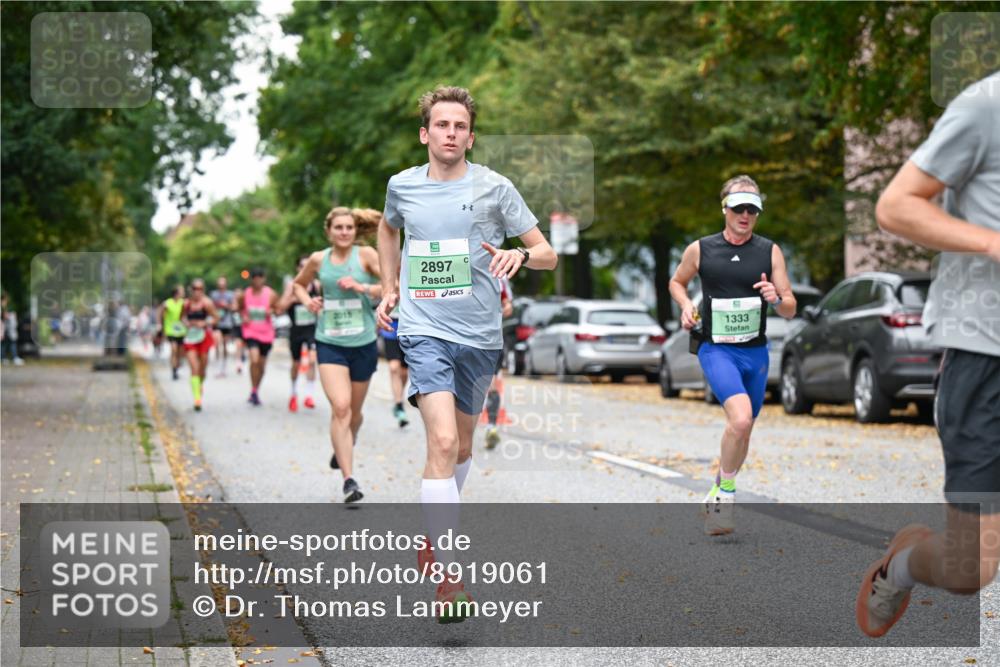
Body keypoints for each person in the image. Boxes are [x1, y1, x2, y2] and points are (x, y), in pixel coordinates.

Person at [376, 86, 557, 621]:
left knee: (460, 449)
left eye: (460, 126)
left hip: (479, 335)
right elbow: (388, 230)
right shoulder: (402, 187)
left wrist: (519, 254)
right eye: (442, 124)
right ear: (425, 133)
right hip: (424, 330)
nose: (450, 133)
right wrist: (391, 287)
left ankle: (434, 539)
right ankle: (450, 578)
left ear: (470, 136)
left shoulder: (495, 188)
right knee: (444, 439)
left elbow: (546, 253)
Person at [855, 72, 1000, 638]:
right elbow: (896, 206)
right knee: (969, 570)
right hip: (985, 351)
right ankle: (902, 564)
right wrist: (993, 241)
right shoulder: (986, 107)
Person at [669, 175, 796, 536]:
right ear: (724, 208)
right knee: (739, 420)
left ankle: (718, 486)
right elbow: (677, 282)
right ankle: (726, 494)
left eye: (752, 210)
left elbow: (789, 308)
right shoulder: (701, 249)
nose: (745, 215)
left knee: (745, 428)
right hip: (717, 348)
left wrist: (775, 297)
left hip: (755, 352)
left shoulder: (769, 251)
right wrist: (684, 306)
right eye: (738, 208)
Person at [294, 207, 383, 503]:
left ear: (355, 230)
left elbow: (392, 286)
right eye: (338, 228)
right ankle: (349, 479)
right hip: (330, 341)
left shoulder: (366, 256)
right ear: (329, 231)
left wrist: (363, 287)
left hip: (363, 342)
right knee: (341, 408)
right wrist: (308, 301)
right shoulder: (319, 260)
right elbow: (297, 285)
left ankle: (346, 439)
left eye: (349, 227)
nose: (344, 232)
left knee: (354, 413)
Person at [280, 256, 320, 413]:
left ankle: (309, 395)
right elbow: (280, 307)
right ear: (297, 269)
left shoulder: (316, 285)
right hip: (296, 330)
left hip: (312, 329)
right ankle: (293, 393)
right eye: (302, 266)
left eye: (307, 266)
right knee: (296, 364)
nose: (305, 269)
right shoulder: (292, 286)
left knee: (312, 359)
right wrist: (294, 298)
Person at [238, 269, 278, 406]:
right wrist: (243, 317)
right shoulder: (245, 294)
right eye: (255, 278)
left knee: (261, 365)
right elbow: (240, 309)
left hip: (267, 334)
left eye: (260, 277)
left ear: (264, 279)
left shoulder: (271, 294)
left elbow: (278, 309)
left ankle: (255, 390)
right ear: (252, 279)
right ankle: (253, 389)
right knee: (254, 360)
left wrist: (271, 311)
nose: (257, 280)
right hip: (251, 332)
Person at [484, 277, 514, 449]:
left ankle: (491, 426)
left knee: (492, 385)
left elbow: (507, 304)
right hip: (462, 337)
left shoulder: (498, 275)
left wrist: (505, 307)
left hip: (491, 339)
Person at [181, 279, 218, 411]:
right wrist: (186, 323)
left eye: (200, 289)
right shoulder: (186, 304)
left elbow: (216, 317)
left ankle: (199, 383)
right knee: (194, 368)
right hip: (190, 338)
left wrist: (205, 323)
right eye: (195, 289)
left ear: (203, 290)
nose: (197, 292)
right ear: (191, 290)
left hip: (203, 338)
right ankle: (197, 399)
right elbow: (182, 317)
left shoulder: (207, 303)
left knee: (202, 369)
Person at [379, 304, 410, 428]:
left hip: (409, 324)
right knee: (393, 367)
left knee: (404, 372)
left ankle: (399, 397)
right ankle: (399, 405)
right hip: (391, 324)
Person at [210, 276, 237, 377]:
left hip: (227, 322)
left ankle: (224, 366)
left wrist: (226, 305)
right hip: (217, 322)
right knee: (217, 343)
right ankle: (217, 365)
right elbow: (210, 307)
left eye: (223, 283)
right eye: (220, 283)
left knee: (225, 344)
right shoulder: (214, 294)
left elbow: (234, 307)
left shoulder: (230, 294)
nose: (221, 285)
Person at [158, 286, 186, 380]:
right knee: (174, 349)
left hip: (181, 330)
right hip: (170, 329)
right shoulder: (167, 303)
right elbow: (161, 314)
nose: (183, 292)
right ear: (176, 293)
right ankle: (174, 371)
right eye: (182, 291)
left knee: (180, 352)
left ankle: (177, 365)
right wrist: (162, 327)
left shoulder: (183, 303)